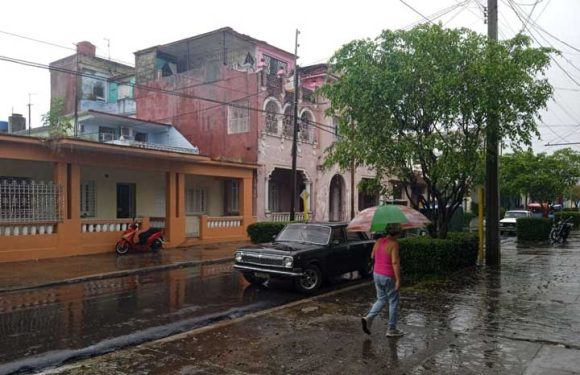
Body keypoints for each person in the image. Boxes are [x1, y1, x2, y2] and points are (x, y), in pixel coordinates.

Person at [361, 223, 404, 337]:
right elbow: (395, 262)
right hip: (388, 275)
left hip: (377, 274)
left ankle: (368, 318)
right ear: (397, 233)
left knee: (381, 299)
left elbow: (372, 256)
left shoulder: (379, 241)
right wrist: (398, 279)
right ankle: (392, 329)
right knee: (393, 301)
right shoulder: (394, 244)